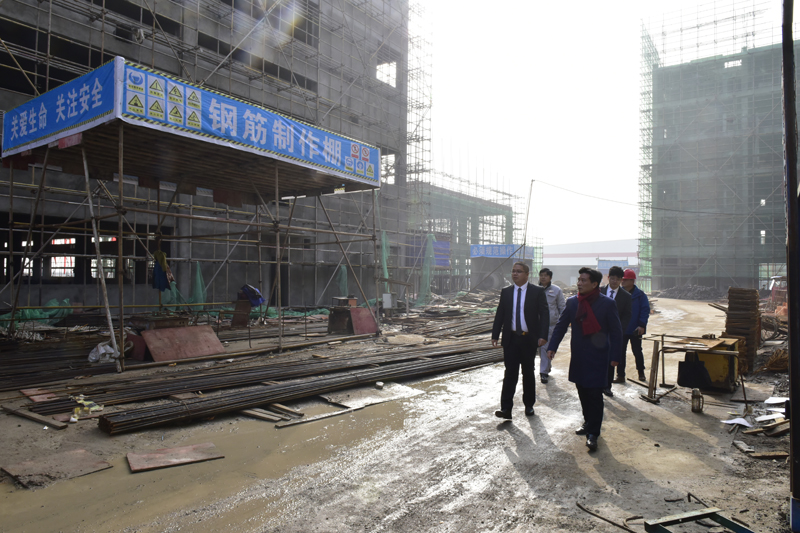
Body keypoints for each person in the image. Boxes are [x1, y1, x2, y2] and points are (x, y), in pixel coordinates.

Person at [546, 267, 622, 452]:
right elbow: (561, 326)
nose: (579, 283)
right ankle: (588, 422)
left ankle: (593, 433)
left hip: (599, 356)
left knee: (595, 394)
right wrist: (552, 346)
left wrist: (615, 356)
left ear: (594, 284)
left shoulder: (607, 304)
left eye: (583, 280)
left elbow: (616, 332)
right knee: (582, 391)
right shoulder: (573, 303)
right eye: (579, 280)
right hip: (579, 355)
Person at [491, 261, 549, 420]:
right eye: (513, 271)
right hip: (511, 339)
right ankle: (506, 408)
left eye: (519, 271)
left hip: (528, 339)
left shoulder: (537, 291)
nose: (515, 274)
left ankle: (529, 405)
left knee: (528, 373)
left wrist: (543, 335)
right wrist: (495, 334)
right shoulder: (506, 292)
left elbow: (544, 314)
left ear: (527, 274)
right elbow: (500, 313)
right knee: (510, 373)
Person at [600, 266, 631, 395]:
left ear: (621, 280)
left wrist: (619, 331)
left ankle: (607, 386)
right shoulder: (599, 292)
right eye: (612, 278)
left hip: (614, 334)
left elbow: (627, 316)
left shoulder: (626, 296)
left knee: (610, 359)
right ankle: (597, 384)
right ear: (608, 278)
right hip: (598, 332)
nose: (614, 281)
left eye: (618, 279)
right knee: (597, 359)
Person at [620, 269, 651, 382]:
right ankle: (620, 375)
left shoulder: (640, 295)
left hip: (636, 329)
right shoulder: (619, 294)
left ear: (632, 281)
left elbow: (645, 310)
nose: (622, 281)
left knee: (637, 351)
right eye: (622, 279)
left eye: (625, 280)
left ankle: (641, 373)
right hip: (622, 329)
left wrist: (642, 325)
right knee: (620, 352)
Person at [538, 267, 565, 384]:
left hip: (550, 325)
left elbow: (562, 307)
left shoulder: (556, 290)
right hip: (537, 324)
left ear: (550, 278)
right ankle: (546, 367)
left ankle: (543, 372)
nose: (543, 277)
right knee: (540, 349)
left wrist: (563, 322)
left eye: (546, 275)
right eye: (541, 275)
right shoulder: (535, 290)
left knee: (546, 348)